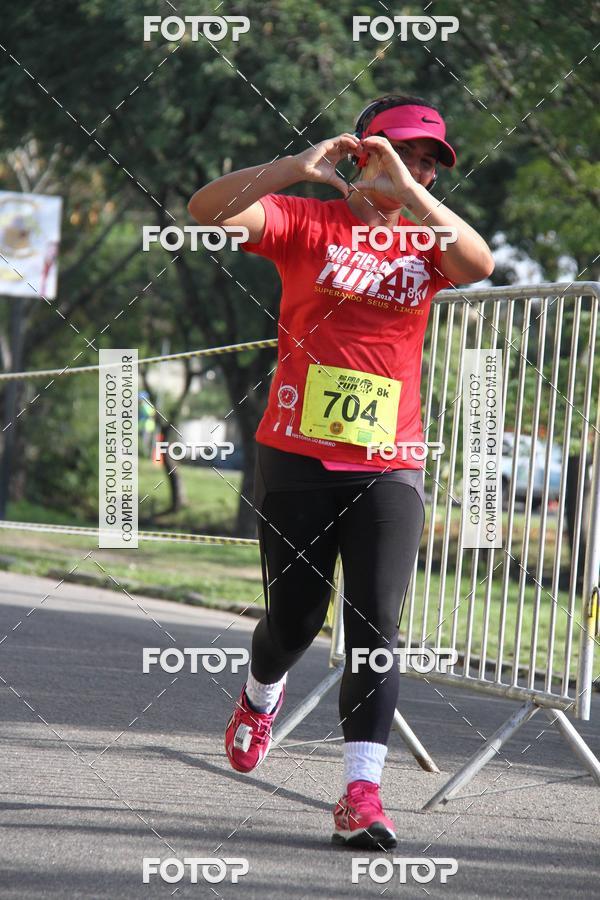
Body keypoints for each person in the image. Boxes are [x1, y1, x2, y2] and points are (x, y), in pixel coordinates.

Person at [188, 94, 494, 849]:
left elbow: (480, 265)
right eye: (401, 153)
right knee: (295, 622)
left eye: (428, 161)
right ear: (360, 153)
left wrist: (410, 192)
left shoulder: (428, 241)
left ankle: (361, 792)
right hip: (296, 454)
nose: (415, 167)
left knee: (375, 628)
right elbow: (205, 211)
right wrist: (296, 168)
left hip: (390, 462)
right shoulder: (305, 221)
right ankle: (261, 694)